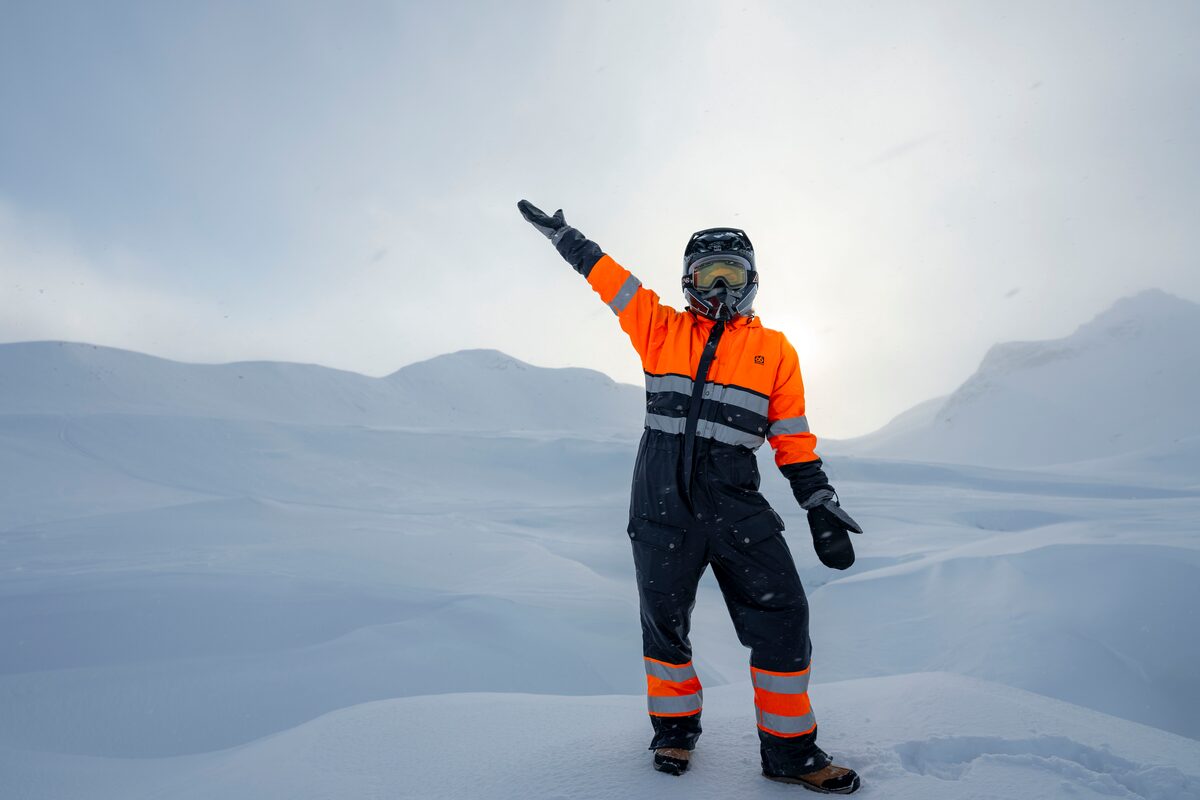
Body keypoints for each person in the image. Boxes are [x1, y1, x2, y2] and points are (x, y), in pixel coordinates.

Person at [518, 200, 864, 794]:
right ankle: (674, 730)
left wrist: (818, 500)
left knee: (785, 617)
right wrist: (569, 239)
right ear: (689, 282)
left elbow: (792, 436)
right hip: (661, 505)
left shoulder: (776, 350)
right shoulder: (661, 327)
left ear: (752, 278)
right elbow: (613, 281)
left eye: (731, 271)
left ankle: (789, 755)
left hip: (737, 506)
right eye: (709, 275)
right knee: (665, 625)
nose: (721, 285)